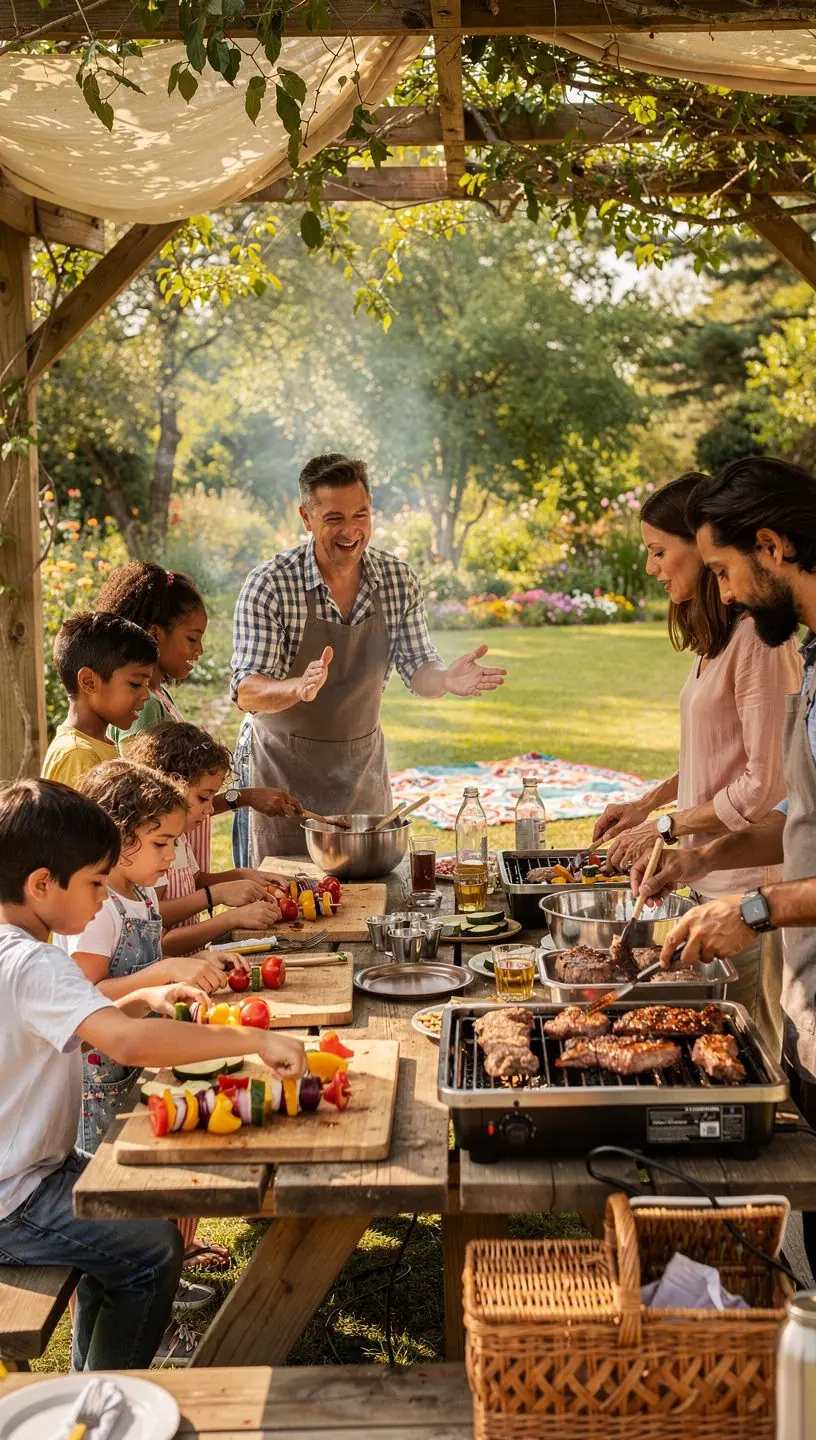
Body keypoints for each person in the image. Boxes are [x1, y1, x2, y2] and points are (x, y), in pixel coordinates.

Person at [0, 778, 305, 1370]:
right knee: (152, 1250)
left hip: (30, 1168)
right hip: (15, 1198)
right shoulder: (34, 962)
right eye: (92, 883)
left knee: (124, 1219)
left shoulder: (15, 948)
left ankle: (87, 1381)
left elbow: (108, 1018)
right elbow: (128, 1043)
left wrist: (149, 993)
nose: (98, 900)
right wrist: (253, 1038)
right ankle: (111, 1396)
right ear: (41, 883)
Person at [633, 458, 816, 1272]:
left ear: (770, 546)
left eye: (724, 571)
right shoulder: (809, 659)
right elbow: (796, 825)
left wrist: (750, 910)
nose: (727, 595)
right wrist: (694, 856)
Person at [592, 473, 800, 1050]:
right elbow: (715, 755)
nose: (654, 568)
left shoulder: (761, 638)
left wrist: (670, 825)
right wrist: (648, 806)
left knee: (750, 1048)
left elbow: (765, 784)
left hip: (750, 887)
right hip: (711, 875)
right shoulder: (720, 641)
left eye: (661, 552)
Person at [231, 453, 507, 862]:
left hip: (361, 772)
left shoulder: (397, 579)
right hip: (281, 773)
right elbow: (246, 692)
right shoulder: (271, 584)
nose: (350, 531)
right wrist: (297, 686)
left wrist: (445, 679)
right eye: (334, 518)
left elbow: (419, 670)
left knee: (374, 896)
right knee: (283, 900)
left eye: (361, 515)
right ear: (306, 517)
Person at [95, 561, 302, 872]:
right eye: (192, 638)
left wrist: (246, 798)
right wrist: (243, 797)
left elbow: (180, 798)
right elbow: (152, 807)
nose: (200, 650)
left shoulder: (159, 696)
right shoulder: (144, 707)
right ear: (154, 635)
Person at [125, 722, 284, 952]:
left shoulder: (177, 837)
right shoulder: (153, 848)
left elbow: (195, 880)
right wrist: (221, 904)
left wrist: (244, 877)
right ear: (170, 788)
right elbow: (158, 924)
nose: (211, 810)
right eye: (203, 798)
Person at [41, 612, 158, 786]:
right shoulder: (77, 754)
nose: (146, 695)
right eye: (135, 684)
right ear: (89, 682)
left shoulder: (100, 745)